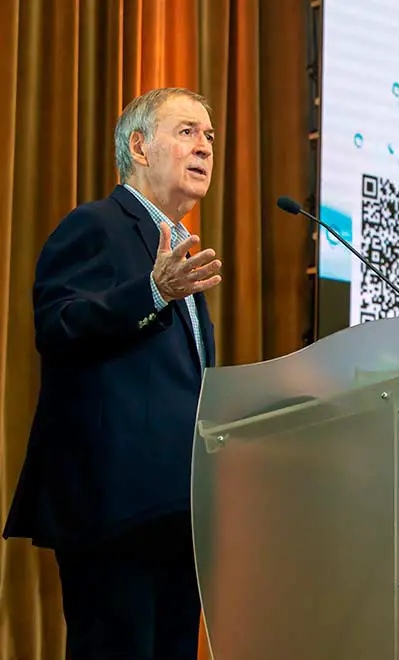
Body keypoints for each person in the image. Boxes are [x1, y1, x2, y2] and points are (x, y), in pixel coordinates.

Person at [3, 87, 223, 660]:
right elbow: (58, 325)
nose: (205, 146)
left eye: (209, 136)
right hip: (116, 510)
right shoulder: (97, 225)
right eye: (187, 132)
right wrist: (151, 292)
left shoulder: (178, 253)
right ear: (139, 147)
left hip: (179, 512)